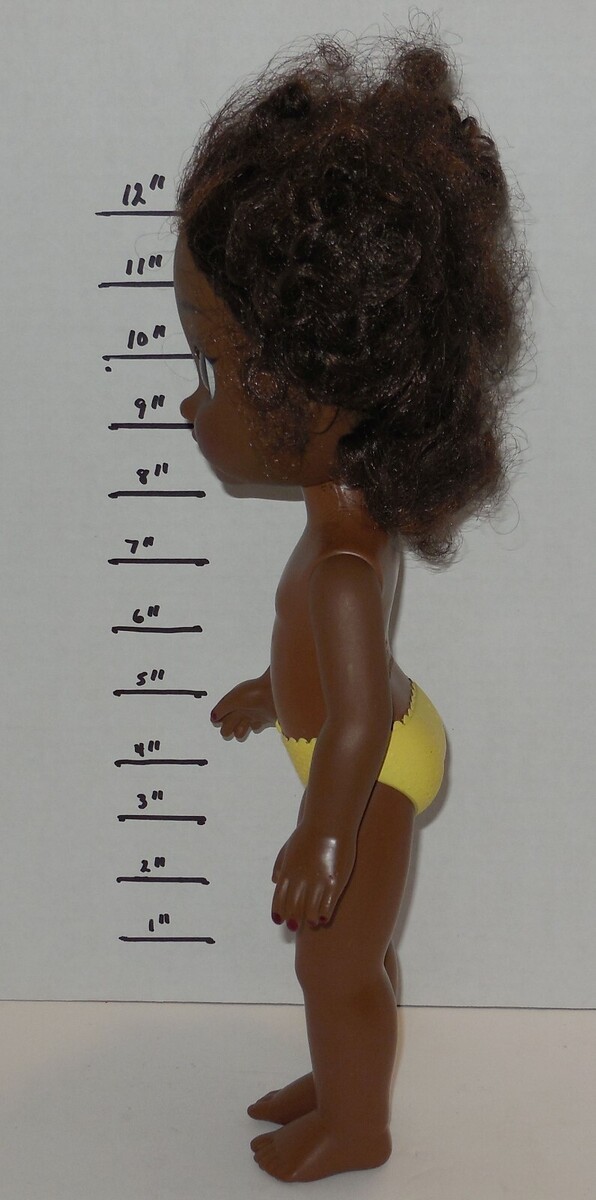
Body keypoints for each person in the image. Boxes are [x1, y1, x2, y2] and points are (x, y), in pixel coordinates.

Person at [172, 22, 531, 1183]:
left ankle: (357, 1126)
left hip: (364, 776)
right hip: (348, 743)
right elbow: (332, 666)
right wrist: (270, 691)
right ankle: (339, 1078)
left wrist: (324, 831)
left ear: (314, 388)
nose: (191, 406)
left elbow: (361, 715)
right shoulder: (345, 515)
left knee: (333, 962)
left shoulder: (339, 560)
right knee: (342, 961)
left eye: (217, 371)